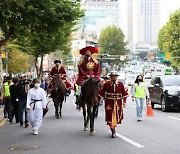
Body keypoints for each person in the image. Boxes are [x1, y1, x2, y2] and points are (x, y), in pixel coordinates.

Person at [98, 71, 128, 138]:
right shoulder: (107, 84)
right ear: (110, 77)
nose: (114, 77)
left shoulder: (120, 84)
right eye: (113, 76)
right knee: (110, 116)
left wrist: (124, 102)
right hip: (109, 102)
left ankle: (114, 126)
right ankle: (112, 129)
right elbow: (101, 92)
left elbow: (124, 93)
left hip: (118, 102)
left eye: (115, 76)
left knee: (117, 116)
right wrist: (98, 99)